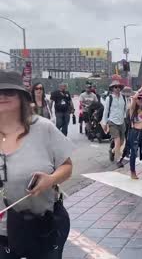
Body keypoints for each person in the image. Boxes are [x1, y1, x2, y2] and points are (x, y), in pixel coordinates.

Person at [0, 71, 73, 258]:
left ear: (22, 97)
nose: (2, 96)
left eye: (9, 92)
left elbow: (67, 166)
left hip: (42, 225)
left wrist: (50, 180)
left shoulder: (42, 128)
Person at [127, 83, 142, 180]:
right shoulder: (132, 109)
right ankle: (133, 172)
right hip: (135, 132)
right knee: (133, 153)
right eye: (139, 98)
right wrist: (140, 89)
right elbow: (133, 98)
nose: (141, 100)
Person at [102, 80, 127, 168]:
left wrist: (125, 119)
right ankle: (118, 160)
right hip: (112, 122)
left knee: (122, 141)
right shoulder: (109, 98)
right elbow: (106, 112)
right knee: (117, 141)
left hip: (121, 122)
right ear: (112, 88)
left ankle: (112, 151)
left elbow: (125, 110)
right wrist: (104, 123)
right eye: (115, 87)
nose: (117, 88)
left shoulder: (123, 98)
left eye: (118, 87)